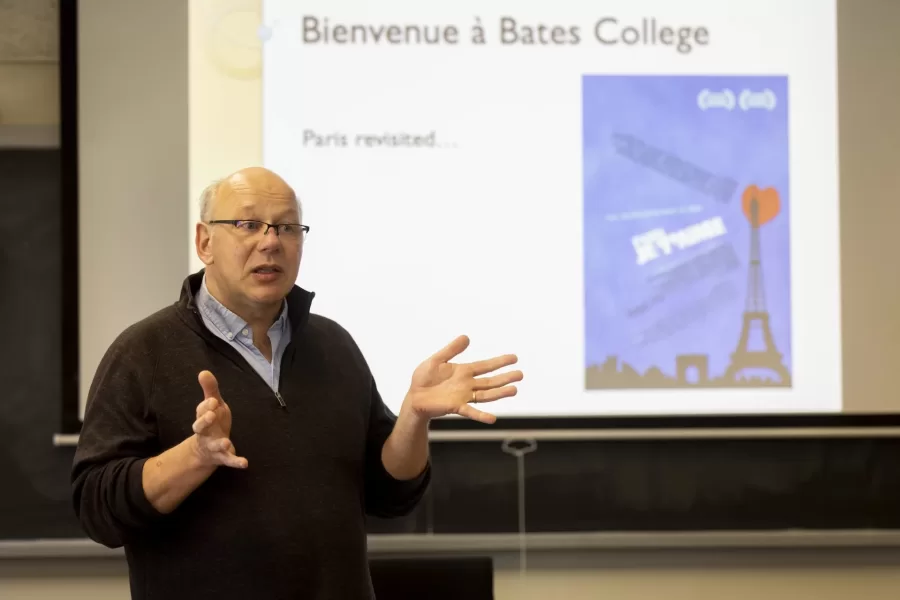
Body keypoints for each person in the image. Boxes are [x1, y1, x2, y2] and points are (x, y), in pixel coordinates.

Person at [71, 166, 522, 600]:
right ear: (205, 242)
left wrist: (413, 418)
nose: (271, 242)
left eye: (287, 229)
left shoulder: (333, 344)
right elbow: (97, 510)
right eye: (249, 224)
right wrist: (196, 456)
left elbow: (391, 493)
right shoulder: (142, 352)